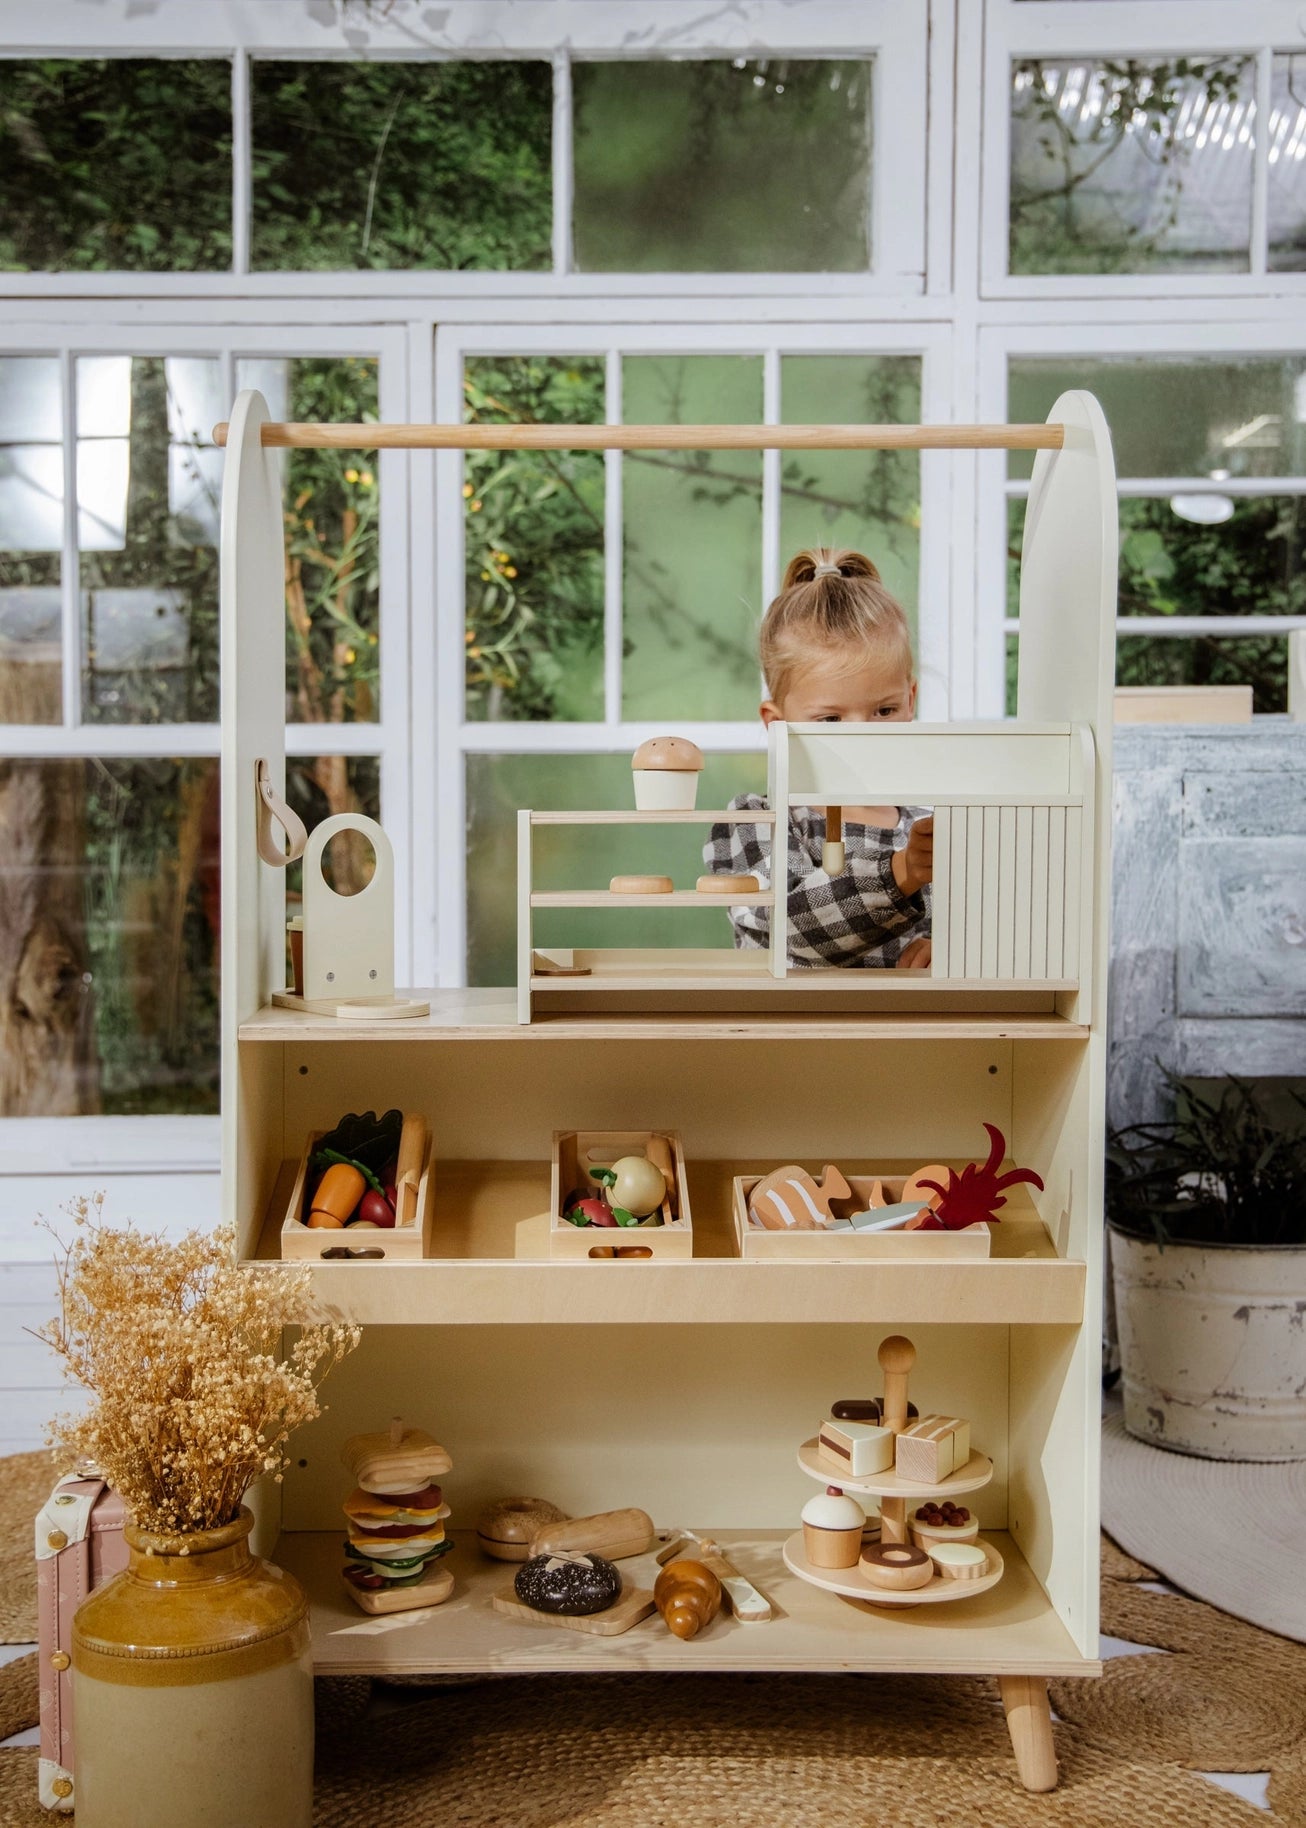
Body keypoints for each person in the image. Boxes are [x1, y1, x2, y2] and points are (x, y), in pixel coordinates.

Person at [704, 546, 933, 969]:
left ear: (910, 699)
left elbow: (988, 926)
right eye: (830, 718)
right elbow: (790, 932)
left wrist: (955, 953)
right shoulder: (758, 821)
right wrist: (900, 873)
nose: (862, 736)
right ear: (777, 723)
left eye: (884, 710)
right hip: (792, 1035)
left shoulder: (932, 825)